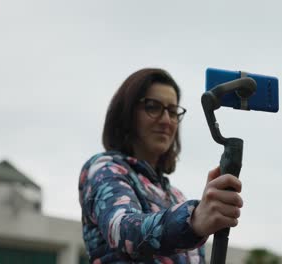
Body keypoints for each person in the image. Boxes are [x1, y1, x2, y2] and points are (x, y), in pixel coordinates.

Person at [78, 68, 243, 263]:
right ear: (127, 113)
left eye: (173, 111)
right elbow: (123, 229)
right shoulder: (105, 169)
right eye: (153, 107)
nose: (166, 120)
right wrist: (194, 219)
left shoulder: (177, 197)